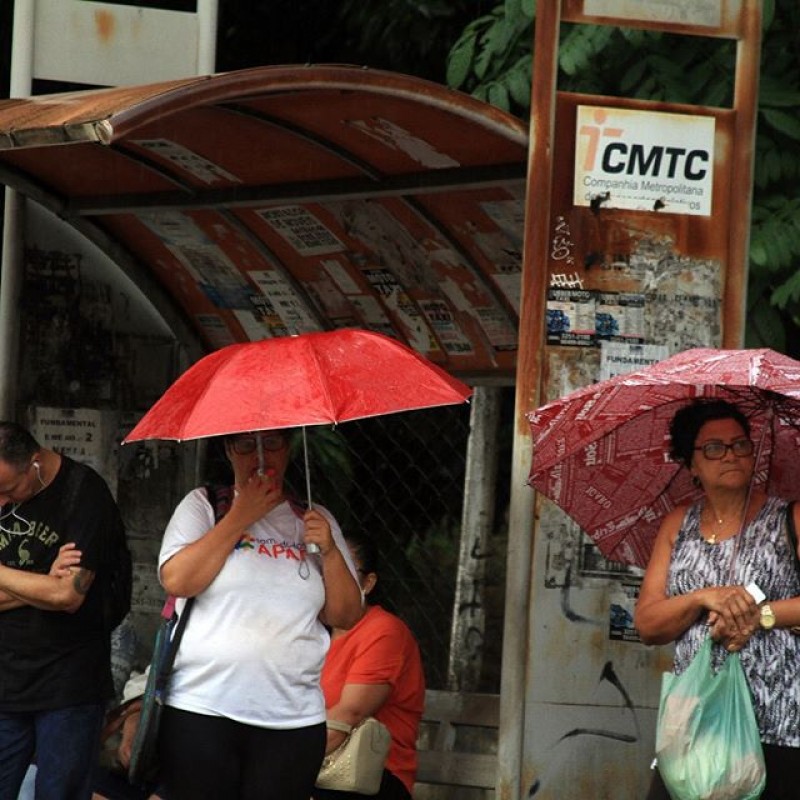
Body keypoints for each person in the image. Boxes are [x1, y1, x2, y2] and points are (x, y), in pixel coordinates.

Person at [155, 429, 363, 800]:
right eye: (247, 445)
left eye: (273, 444)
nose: (261, 456)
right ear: (228, 450)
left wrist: (329, 550)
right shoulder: (203, 506)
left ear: (288, 448)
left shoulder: (313, 517)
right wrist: (240, 516)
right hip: (202, 707)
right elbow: (178, 580)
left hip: (292, 717)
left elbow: (345, 614)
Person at [634, 399, 800, 800]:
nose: (729, 455)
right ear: (691, 464)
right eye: (713, 448)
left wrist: (756, 617)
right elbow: (648, 624)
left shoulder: (789, 518)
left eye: (739, 444)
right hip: (696, 718)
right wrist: (702, 598)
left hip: (778, 721)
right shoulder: (678, 524)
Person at [0, 421, 126, 799]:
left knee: (60, 792)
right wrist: (43, 581)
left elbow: (68, 597)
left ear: (34, 464)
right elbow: (55, 590)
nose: (2, 503)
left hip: (69, 682)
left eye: (9, 490)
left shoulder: (84, 495)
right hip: (5, 679)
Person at [315, 531, 425, 800]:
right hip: (315, 768)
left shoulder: (384, 631)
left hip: (367, 777)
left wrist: (285, 764)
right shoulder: (311, 633)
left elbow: (347, 718)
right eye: (320, 568)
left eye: (342, 568)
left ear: (368, 583)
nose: (328, 577)